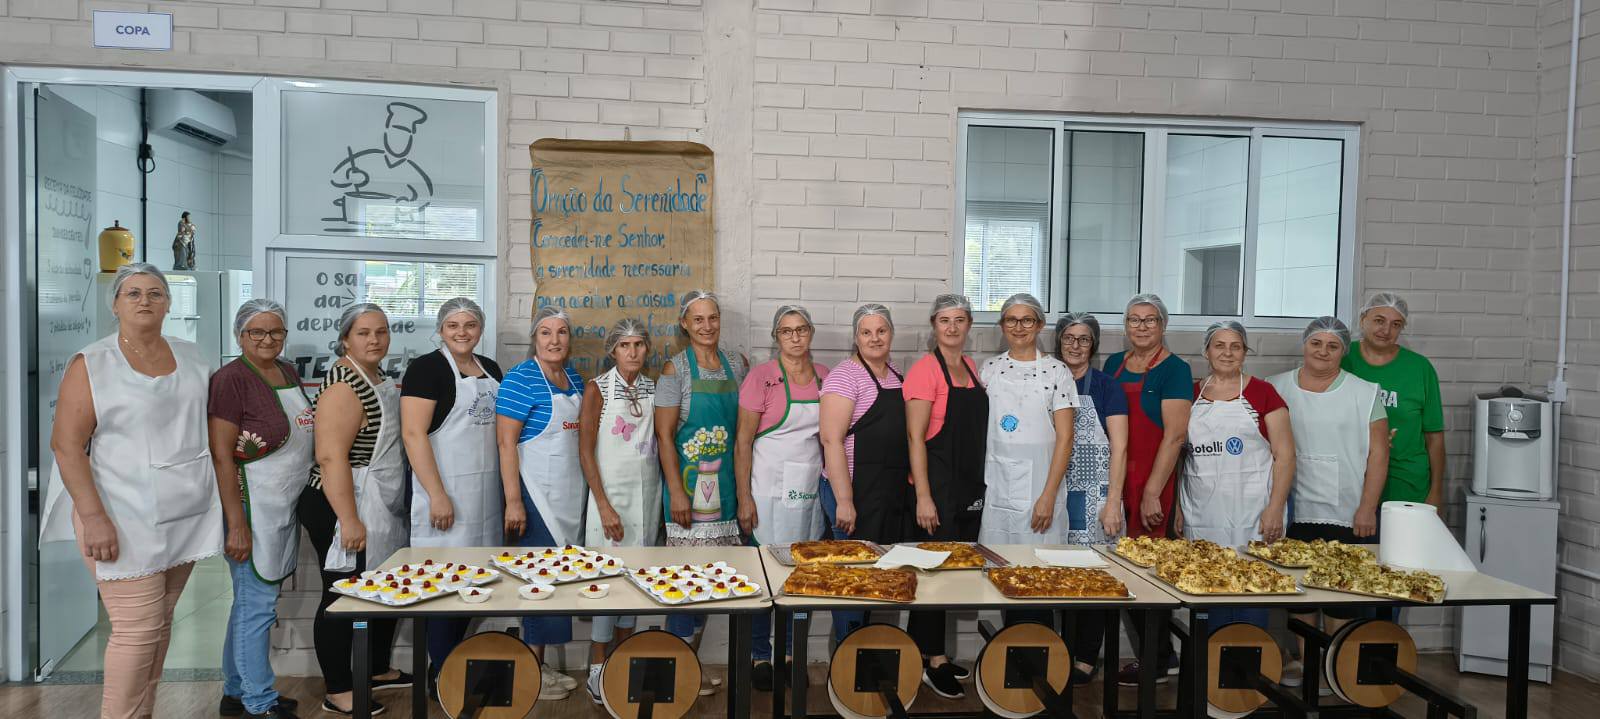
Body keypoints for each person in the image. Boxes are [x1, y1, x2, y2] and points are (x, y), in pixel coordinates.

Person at [44, 263, 224, 719]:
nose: (145, 300)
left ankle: (143, 712)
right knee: (136, 630)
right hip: (119, 513)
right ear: (115, 304)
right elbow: (66, 446)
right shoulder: (92, 363)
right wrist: (93, 518)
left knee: (159, 625)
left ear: (169, 303)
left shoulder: (192, 356)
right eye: (133, 293)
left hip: (184, 510)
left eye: (155, 293)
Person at [300, 302, 411, 716]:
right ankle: (338, 688)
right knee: (342, 594)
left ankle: (376, 668)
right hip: (341, 501)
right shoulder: (344, 384)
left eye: (381, 331)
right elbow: (331, 457)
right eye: (363, 333)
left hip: (376, 496)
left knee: (379, 585)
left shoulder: (377, 376)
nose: (374, 340)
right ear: (345, 339)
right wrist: (348, 519)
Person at [1269, 316, 1390, 685]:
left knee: (1341, 594)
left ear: (1343, 351)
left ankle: (1336, 668)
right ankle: (1307, 662)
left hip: (1346, 509)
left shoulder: (1364, 393)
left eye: (1333, 345)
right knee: (1299, 592)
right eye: (1316, 343)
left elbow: (1379, 455)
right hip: (1293, 509)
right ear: (1304, 344)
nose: (1323, 351)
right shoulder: (1276, 387)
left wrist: (1367, 507)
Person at [208, 299, 313, 719]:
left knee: (249, 605)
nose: (268, 339)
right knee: (256, 607)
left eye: (276, 331)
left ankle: (236, 691)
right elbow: (222, 455)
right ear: (240, 335)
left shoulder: (286, 371)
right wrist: (236, 525)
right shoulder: (230, 380)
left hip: (281, 504)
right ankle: (258, 702)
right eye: (257, 332)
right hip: (251, 507)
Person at [399, 298, 503, 690]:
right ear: (441, 329)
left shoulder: (490, 368)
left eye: (470, 324)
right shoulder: (425, 369)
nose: (462, 332)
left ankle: (452, 664)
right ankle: (441, 671)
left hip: (484, 499)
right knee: (442, 584)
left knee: (475, 582)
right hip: (444, 493)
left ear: (480, 329)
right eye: (453, 325)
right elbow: (413, 434)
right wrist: (437, 495)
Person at [735, 305, 830, 689]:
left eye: (801, 329)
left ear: (811, 333)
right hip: (766, 489)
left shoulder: (825, 376)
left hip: (807, 489)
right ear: (776, 337)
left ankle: (790, 653)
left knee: (799, 579)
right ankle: (760, 655)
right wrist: (744, 497)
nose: (795, 337)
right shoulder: (761, 378)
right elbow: (743, 442)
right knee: (762, 578)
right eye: (787, 330)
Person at [1174, 321, 1293, 629]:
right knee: (1205, 591)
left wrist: (1276, 508)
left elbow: (1285, 456)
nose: (1227, 353)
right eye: (1219, 346)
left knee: (1250, 592)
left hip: (1252, 514)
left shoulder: (1263, 393)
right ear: (1206, 351)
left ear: (1245, 352)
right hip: (1201, 514)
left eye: (1235, 347)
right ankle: (1207, 657)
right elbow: (1179, 455)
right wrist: (1177, 507)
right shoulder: (1190, 394)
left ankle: (1250, 655)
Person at [496, 306, 587, 701]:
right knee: (538, 583)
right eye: (546, 332)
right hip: (535, 498)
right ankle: (532, 671)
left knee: (558, 580)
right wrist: (513, 501)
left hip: (568, 497)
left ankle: (541, 665)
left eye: (562, 332)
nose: (554, 340)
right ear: (535, 338)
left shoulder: (575, 379)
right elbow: (505, 444)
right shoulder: (520, 379)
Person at [654, 290, 750, 660]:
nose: (706, 326)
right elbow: (664, 436)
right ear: (684, 324)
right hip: (688, 488)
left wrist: (744, 492)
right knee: (684, 583)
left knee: (713, 581)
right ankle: (675, 666)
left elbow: (744, 432)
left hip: (727, 488)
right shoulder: (673, 370)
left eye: (712, 318)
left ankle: (689, 664)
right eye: (698, 319)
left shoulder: (737, 364)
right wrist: (676, 492)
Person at [1104, 293, 1192, 684]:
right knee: (1122, 569)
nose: (1141, 327)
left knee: (1149, 572)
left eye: (1150, 319)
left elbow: (1175, 436)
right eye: (1134, 319)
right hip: (1118, 476)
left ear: (1163, 325)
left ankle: (1158, 659)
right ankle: (1158, 655)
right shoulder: (1113, 364)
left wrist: (1153, 492)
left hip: (1153, 480)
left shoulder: (1175, 369)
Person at [904, 294, 988, 700]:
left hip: (967, 486)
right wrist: (923, 496)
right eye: (944, 320)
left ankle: (933, 653)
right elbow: (914, 438)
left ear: (969, 324)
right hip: (935, 487)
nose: (952, 327)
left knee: (953, 570)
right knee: (933, 575)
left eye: (959, 320)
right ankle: (932, 661)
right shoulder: (925, 371)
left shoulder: (971, 368)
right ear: (934, 326)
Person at [578, 318, 663, 704]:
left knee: (635, 580)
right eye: (625, 345)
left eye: (639, 344)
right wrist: (603, 504)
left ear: (647, 349)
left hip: (646, 499)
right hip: (609, 500)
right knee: (606, 582)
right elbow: (585, 450)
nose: (632, 352)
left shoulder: (652, 387)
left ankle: (624, 659)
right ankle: (597, 667)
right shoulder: (597, 388)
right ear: (613, 350)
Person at [818, 303, 907, 644]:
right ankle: (846, 654)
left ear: (891, 334)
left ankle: (867, 650)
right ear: (855, 337)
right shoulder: (845, 376)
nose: (875, 338)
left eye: (881, 331)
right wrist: (844, 501)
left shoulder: (896, 375)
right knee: (851, 578)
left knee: (875, 579)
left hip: (884, 493)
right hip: (851, 490)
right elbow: (831, 439)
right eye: (866, 332)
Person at [1052, 312, 1130, 684]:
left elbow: (1120, 447)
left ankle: (1085, 656)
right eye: (1069, 337)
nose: (1076, 345)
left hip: (1096, 492)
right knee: (1059, 573)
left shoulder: (1106, 386)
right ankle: (1060, 650)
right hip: (1057, 491)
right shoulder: (1050, 379)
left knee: (1094, 576)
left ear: (1093, 345)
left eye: (1084, 339)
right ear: (1059, 341)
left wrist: (1112, 502)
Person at [978, 293, 1078, 546]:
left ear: (1040, 324)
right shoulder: (988, 369)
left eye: (1027, 320)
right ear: (1002, 325)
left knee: (1040, 562)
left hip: (1041, 486)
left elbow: (1066, 438)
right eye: (1011, 320)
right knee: (997, 558)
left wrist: (1048, 496)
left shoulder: (1057, 372)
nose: (1019, 327)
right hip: (998, 485)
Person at [1342, 292, 1446, 509]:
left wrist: (1436, 491)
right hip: (1351, 479)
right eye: (1379, 320)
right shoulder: (1342, 359)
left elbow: (1434, 437)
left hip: (1406, 482)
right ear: (1363, 319)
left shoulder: (1419, 368)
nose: (1386, 330)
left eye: (1396, 324)